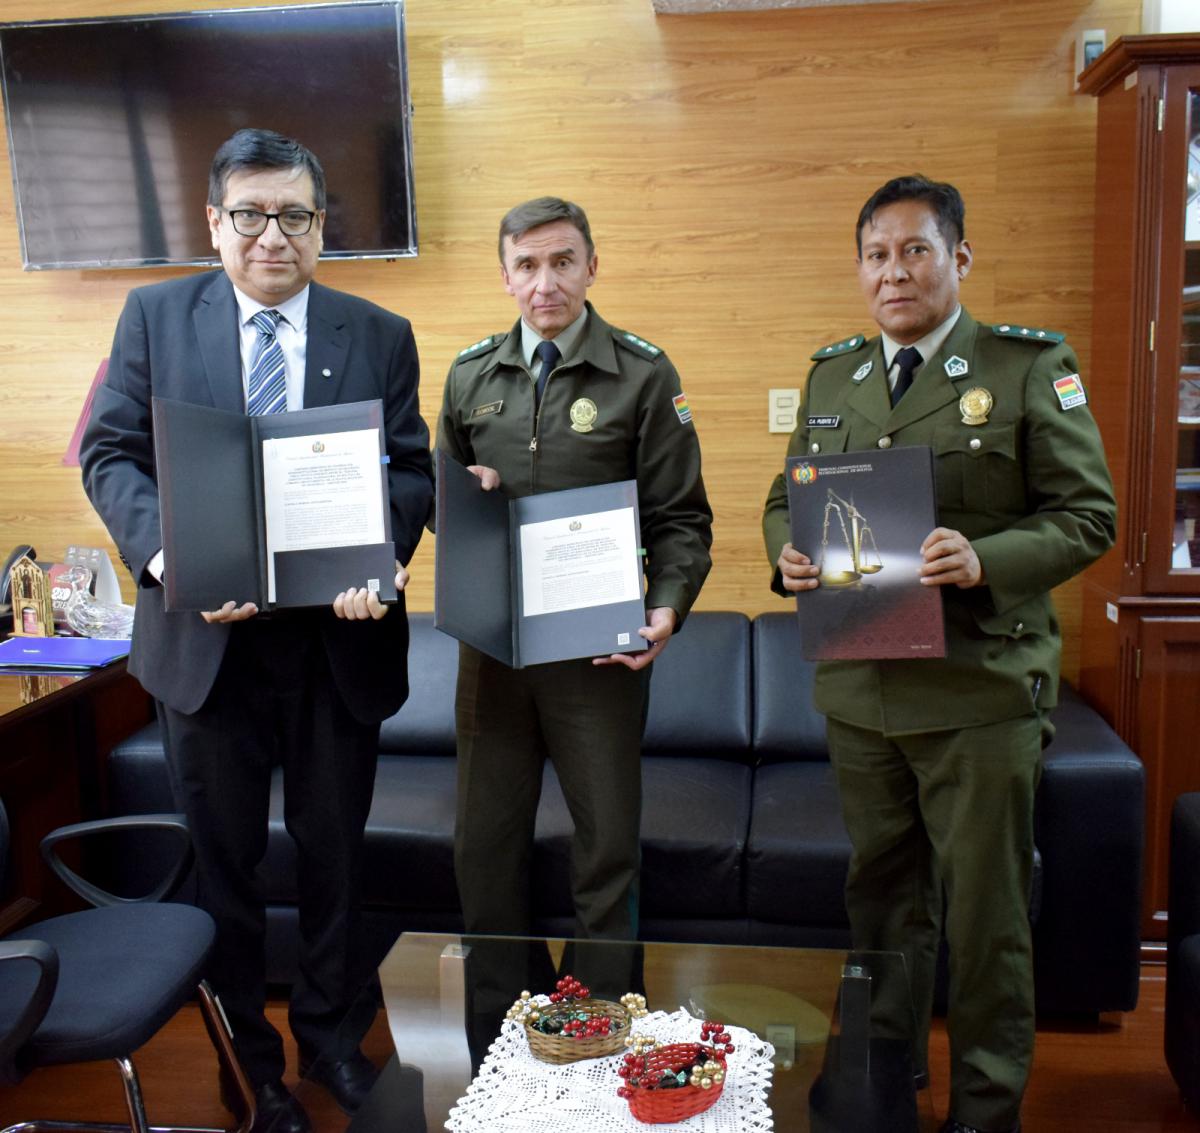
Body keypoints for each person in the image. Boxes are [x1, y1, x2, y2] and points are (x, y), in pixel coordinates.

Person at [80, 128, 433, 1133]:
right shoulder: (154, 316)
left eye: (294, 215)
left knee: (336, 857)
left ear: (322, 226)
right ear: (214, 222)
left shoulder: (379, 331)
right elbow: (111, 455)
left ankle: (329, 1037)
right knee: (224, 865)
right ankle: (252, 1063)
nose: (270, 235)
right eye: (249, 214)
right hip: (207, 648)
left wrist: (381, 549)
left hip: (337, 645)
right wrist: (167, 560)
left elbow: (408, 469)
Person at [762, 174, 1116, 1133]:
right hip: (862, 690)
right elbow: (778, 499)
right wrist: (785, 556)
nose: (894, 272)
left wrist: (984, 557)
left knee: (985, 918)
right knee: (880, 903)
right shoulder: (835, 374)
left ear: (958, 259)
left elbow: (1090, 517)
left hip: (979, 692)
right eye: (876, 254)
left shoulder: (1029, 367)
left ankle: (984, 1110)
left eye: (915, 250)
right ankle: (888, 1084)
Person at [437, 197, 712, 941]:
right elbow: (447, 508)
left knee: (607, 855)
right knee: (484, 853)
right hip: (494, 656)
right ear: (505, 275)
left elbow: (681, 518)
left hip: (600, 656)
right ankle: (503, 1036)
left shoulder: (644, 374)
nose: (545, 282)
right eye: (526, 265)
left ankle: (602, 1040)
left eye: (562, 261)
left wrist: (670, 607)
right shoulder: (469, 377)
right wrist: (467, 501)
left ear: (593, 265)